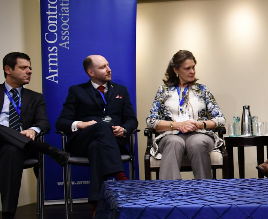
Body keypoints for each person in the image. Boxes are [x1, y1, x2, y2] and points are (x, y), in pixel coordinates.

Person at [55, 55, 138, 213]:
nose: (109, 69)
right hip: (83, 142)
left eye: (108, 65)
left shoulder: (121, 90)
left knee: (97, 147)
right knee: (101, 126)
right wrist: (81, 124)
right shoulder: (77, 91)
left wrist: (124, 129)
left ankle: (97, 204)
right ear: (90, 72)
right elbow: (61, 122)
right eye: (103, 67)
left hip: (113, 142)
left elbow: (131, 120)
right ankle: (121, 176)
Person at [0, 52, 70, 219]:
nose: (29, 71)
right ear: (8, 69)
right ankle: (46, 148)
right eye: (24, 67)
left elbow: (43, 123)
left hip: (21, 148)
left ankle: (8, 214)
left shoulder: (35, 97)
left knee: (11, 149)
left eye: (30, 68)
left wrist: (34, 130)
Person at [146, 50, 225, 180]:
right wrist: (177, 125)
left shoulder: (202, 90)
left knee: (197, 142)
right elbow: (151, 121)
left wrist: (200, 124)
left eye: (193, 67)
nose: (192, 71)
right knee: (173, 142)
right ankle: (171, 192)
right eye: (187, 68)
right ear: (176, 70)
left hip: (200, 133)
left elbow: (220, 119)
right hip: (171, 135)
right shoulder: (163, 91)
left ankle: (204, 191)